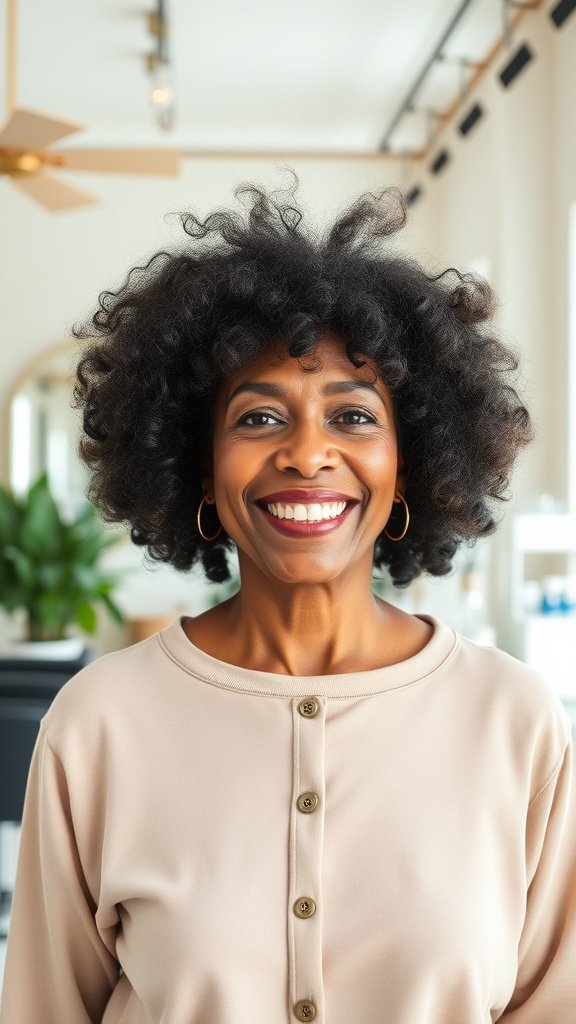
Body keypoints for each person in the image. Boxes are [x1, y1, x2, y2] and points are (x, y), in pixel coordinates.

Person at [1, 176, 574, 1024]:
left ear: (409, 461)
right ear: (198, 463)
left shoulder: (516, 724)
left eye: (352, 418)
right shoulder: (97, 726)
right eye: (260, 418)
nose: (308, 455)